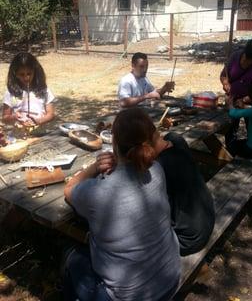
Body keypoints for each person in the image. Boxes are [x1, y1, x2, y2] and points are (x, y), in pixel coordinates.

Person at [63, 108, 181, 301]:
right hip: (170, 278)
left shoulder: (99, 192)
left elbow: (69, 189)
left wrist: (94, 167)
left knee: (72, 257)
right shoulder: (157, 170)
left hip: (129, 296)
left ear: (114, 142)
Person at [98, 127, 215, 256]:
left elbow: (125, 191)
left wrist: (120, 163)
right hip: (207, 220)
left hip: (185, 240)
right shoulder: (177, 142)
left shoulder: (156, 168)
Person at [220, 39, 252, 148]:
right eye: (247, 60)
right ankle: (231, 151)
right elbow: (224, 75)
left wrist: (244, 100)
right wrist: (225, 83)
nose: (248, 63)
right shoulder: (235, 57)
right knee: (230, 129)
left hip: (251, 105)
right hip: (232, 101)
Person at [2, 52, 55, 126]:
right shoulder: (11, 93)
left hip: (41, 135)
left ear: (35, 72)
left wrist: (39, 121)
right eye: (22, 74)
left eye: (29, 74)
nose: (26, 78)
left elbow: (51, 114)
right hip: (18, 135)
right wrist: (14, 117)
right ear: (15, 74)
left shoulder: (44, 90)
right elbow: (4, 118)